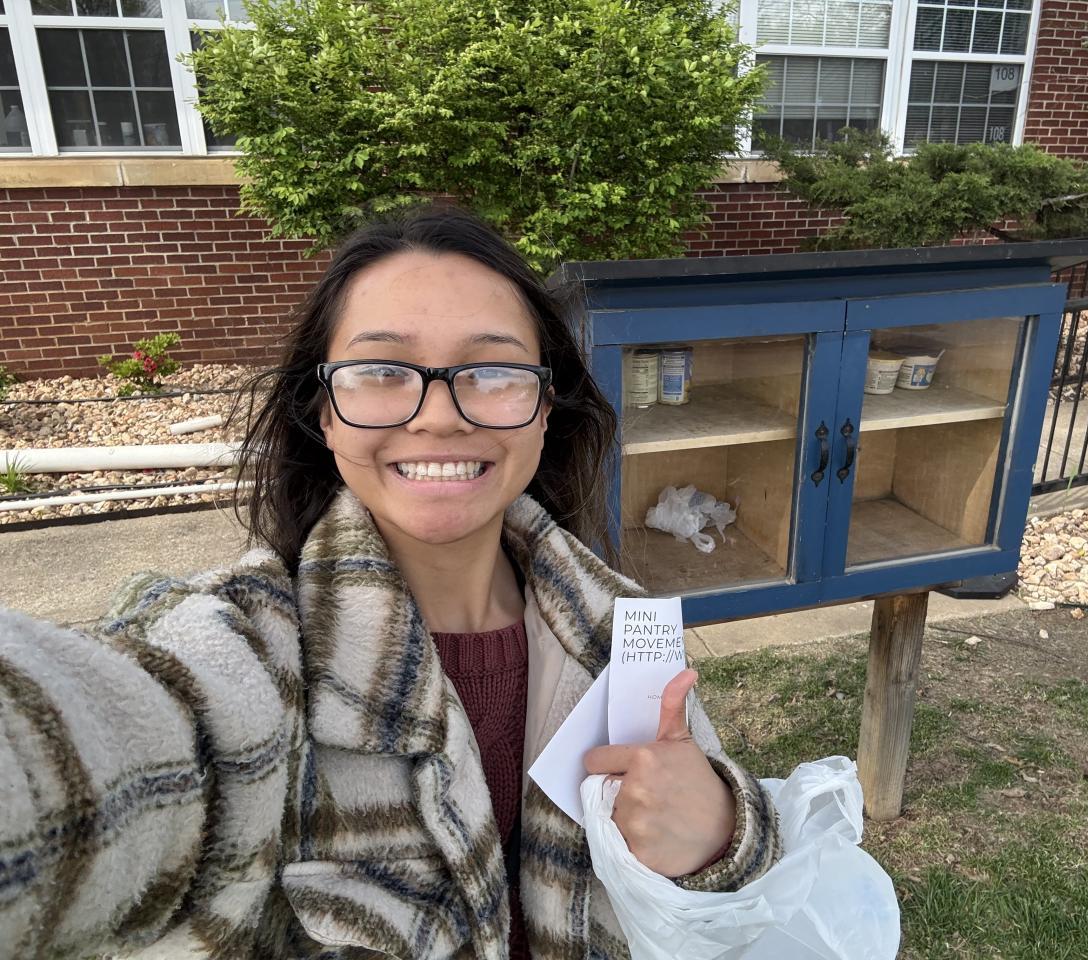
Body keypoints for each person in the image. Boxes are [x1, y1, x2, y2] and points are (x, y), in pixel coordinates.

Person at [0, 206, 782, 960]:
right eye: (380, 370)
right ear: (325, 411)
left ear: (545, 409)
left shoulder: (619, 624)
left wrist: (724, 832)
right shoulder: (251, 655)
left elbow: (748, 893)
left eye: (493, 370)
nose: (439, 417)